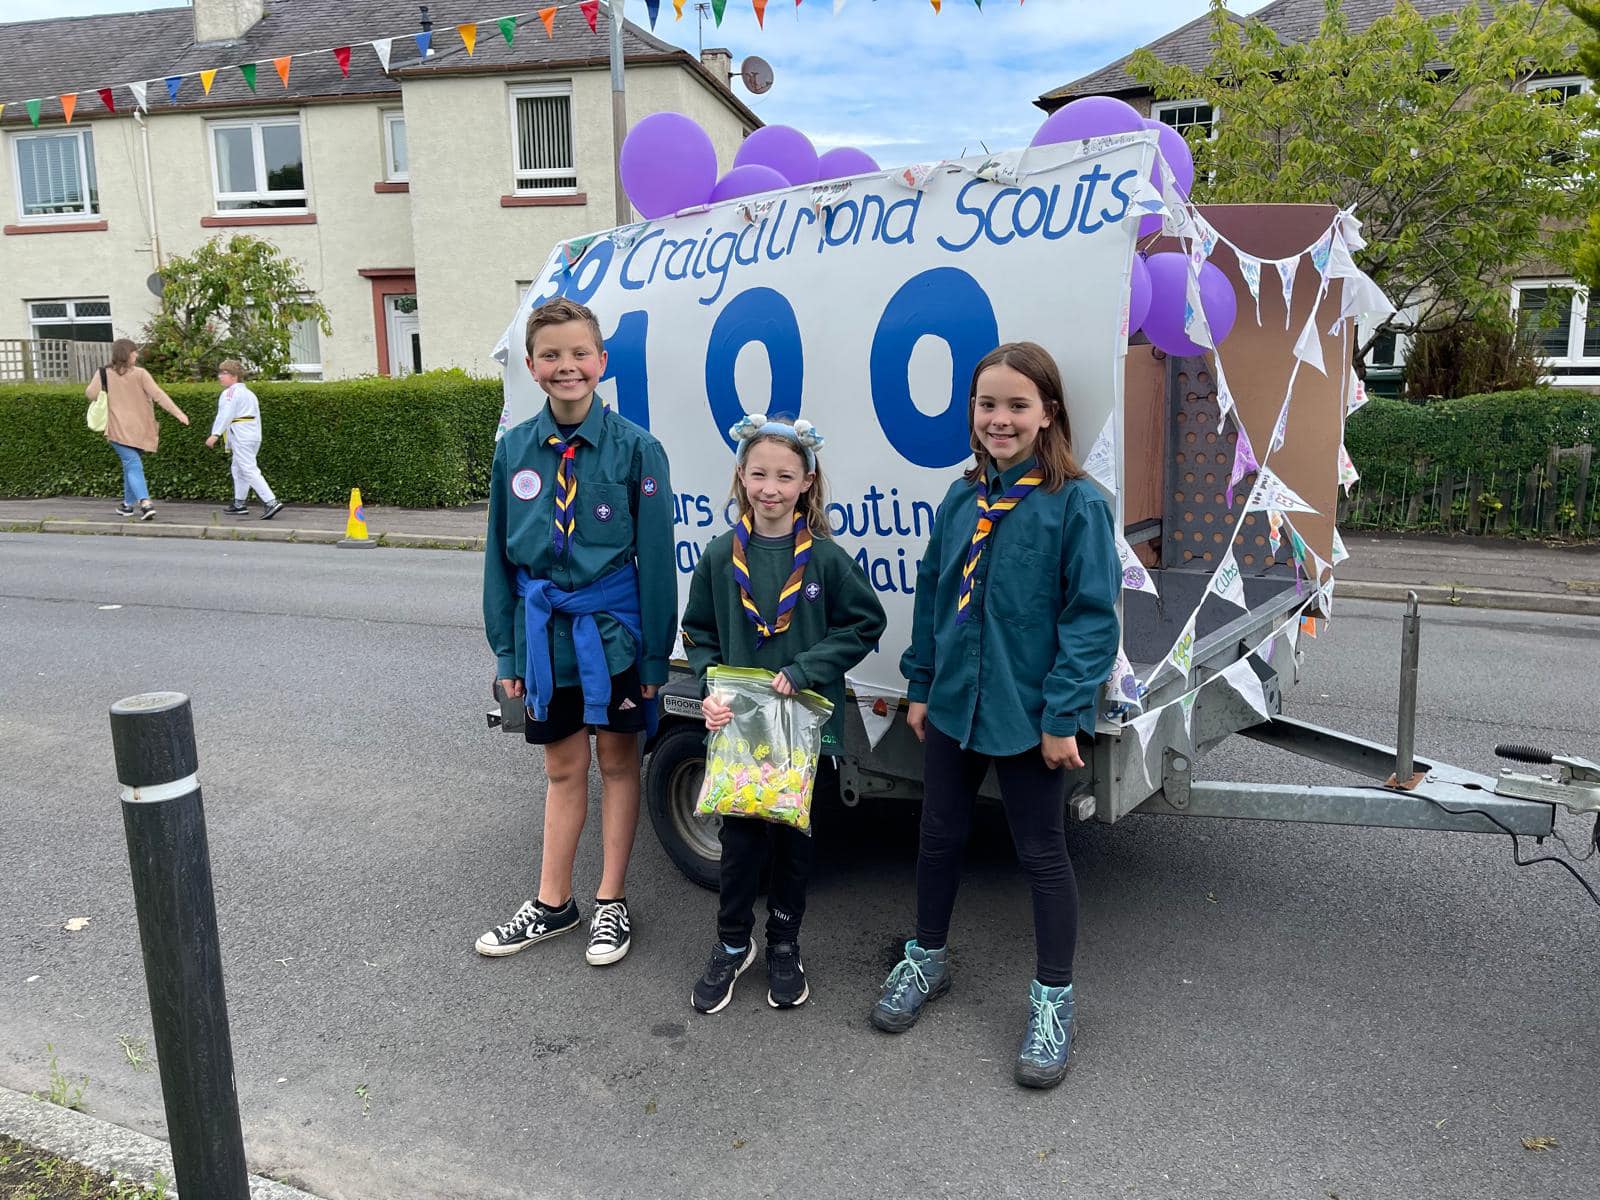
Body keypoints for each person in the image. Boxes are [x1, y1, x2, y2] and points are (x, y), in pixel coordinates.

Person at [870, 341, 1119, 1091]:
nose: (1000, 419)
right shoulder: (961, 500)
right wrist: (920, 684)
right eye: (987, 404)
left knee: (1041, 853)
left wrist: (1064, 716)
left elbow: (1090, 621)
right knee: (938, 835)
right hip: (953, 704)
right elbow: (933, 594)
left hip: (1028, 711)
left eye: (1017, 405)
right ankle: (927, 958)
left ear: (1049, 414)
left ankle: (1053, 1002)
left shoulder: (1076, 504)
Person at [476, 297, 675, 968]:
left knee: (618, 766)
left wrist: (653, 657)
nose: (568, 366)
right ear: (532, 368)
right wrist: (507, 648)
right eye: (552, 356)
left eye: (579, 353)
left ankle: (611, 902)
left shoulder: (637, 450)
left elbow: (656, 563)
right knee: (563, 770)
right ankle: (553, 903)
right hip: (544, 643)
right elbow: (500, 559)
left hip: (614, 637)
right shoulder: (513, 451)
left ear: (602, 362)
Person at [680, 415, 887, 1014]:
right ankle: (731, 942)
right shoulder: (721, 557)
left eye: (785, 476)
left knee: (795, 844)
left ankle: (784, 943)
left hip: (804, 730)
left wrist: (806, 667)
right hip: (741, 729)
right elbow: (697, 633)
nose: (770, 487)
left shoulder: (823, 559)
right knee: (740, 841)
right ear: (741, 477)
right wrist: (708, 689)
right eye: (759, 474)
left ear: (806, 482)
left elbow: (864, 622)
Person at [90, 338, 189, 520]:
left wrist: (105, 386)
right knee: (133, 464)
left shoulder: (103, 373)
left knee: (131, 465)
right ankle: (145, 502)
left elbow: (90, 394)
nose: (136, 354)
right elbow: (158, 395)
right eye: (133, 351)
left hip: (118, 429)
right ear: (126, 354)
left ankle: (128, 505)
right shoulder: (141, 374)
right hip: (141, 429)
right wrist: (178, 413)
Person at [205, 359, 284, 520]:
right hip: (252, 435)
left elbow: (225, 415)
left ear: (234, 376)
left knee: (248, 469)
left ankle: (271, 501)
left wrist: (215, 434)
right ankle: (239, 503)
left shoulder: (230, 393)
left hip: (241, 436)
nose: (220, 376)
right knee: (238, 468)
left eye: (224, 373)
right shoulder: (249, 394)